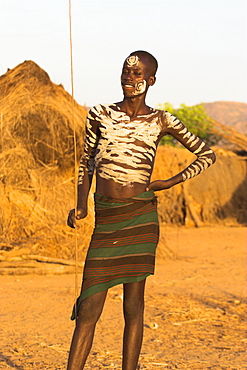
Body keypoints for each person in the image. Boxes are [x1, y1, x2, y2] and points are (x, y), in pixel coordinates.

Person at [66, 50, 216, 370]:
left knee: (133, 305)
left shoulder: (161, 120)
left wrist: (168, 182)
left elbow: (207, 154)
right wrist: (80, 206)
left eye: (137, 74)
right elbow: (87, 162)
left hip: (140, 217)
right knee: (89, 306)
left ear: (151, 80)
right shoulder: (100, 114)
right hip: (107, 218)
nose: (129, 77)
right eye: (125, 71)